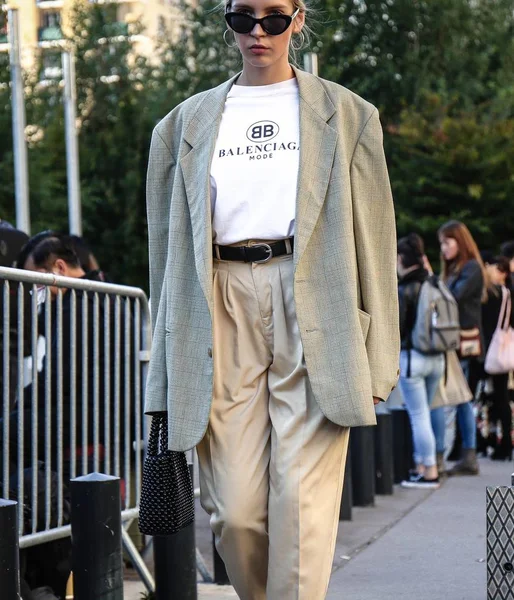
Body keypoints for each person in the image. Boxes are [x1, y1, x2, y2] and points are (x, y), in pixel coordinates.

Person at [145, 0, 400, 596]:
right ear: (226, 21)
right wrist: (163, 369)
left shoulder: (348, 114)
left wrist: (380, 358)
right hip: (218, 304)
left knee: (301, 505)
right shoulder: (180, 126)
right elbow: (166, 262)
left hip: (314, 300)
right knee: (234, 512)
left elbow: (376, 240)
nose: (258, 32)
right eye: (242, 18)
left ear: (298, 19)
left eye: (274, 19)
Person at [431, 220, 486, 476]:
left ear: (459, 241)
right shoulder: (456, 268)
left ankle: (466, 455)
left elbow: (453, 297)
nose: (443, 248)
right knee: (462, 399)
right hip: (454, 342)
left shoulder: (472, 268)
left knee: (462, 398)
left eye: (447, 242)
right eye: (442, 243)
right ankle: (468, 455)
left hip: (465, 343)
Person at [397, 234, 444, 489]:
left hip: (413, 358)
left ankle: (429, 472)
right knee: (427, 411)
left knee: (419, 415)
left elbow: (399, 329)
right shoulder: (433, 282)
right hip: (438, 358)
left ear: (402, 258)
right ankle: (426, 465)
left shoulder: (405, 288)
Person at [480, 253, 513, 461]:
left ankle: (494, 442)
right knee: (499, 398)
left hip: (491, 350)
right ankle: (499, 442)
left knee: (494, 399)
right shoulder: (504, 293)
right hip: (499, 351)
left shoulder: (496, 293)